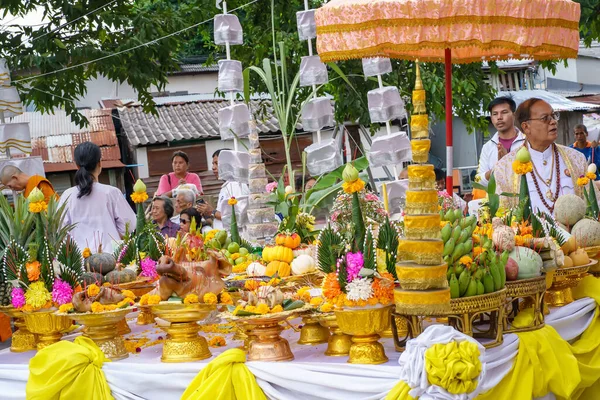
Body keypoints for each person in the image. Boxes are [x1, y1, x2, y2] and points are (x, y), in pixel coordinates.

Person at [495, 98, 600, 215]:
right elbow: (502, 216)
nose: (553, 121)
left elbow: (594, 206)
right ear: (526, 127)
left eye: (553, 116)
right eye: (545, 118)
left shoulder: (576, 159)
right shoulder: (504, 167)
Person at [58, 142, 136, 253]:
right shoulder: (111, 193)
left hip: (79, 262)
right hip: (111, 259)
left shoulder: (67, 196)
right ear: (99, 163)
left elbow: (60, 231)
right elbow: (130, 225)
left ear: (77, 165)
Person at [475, 97, 526, 189]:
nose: (499, 117)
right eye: (495, 114)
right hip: (499, 200)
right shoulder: (488, 147)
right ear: (491, 118)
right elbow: (479, 181)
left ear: (514, 115)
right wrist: (498, 168)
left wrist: (509, 162)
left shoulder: (527, 142)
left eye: (504, 112)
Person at [197, 149, 249, 229]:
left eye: (217, 163)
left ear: (228, 164)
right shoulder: (227, 186)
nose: (213, 167)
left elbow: (238, 218)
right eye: (213, 164)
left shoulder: (236, 185)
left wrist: (212, 211)